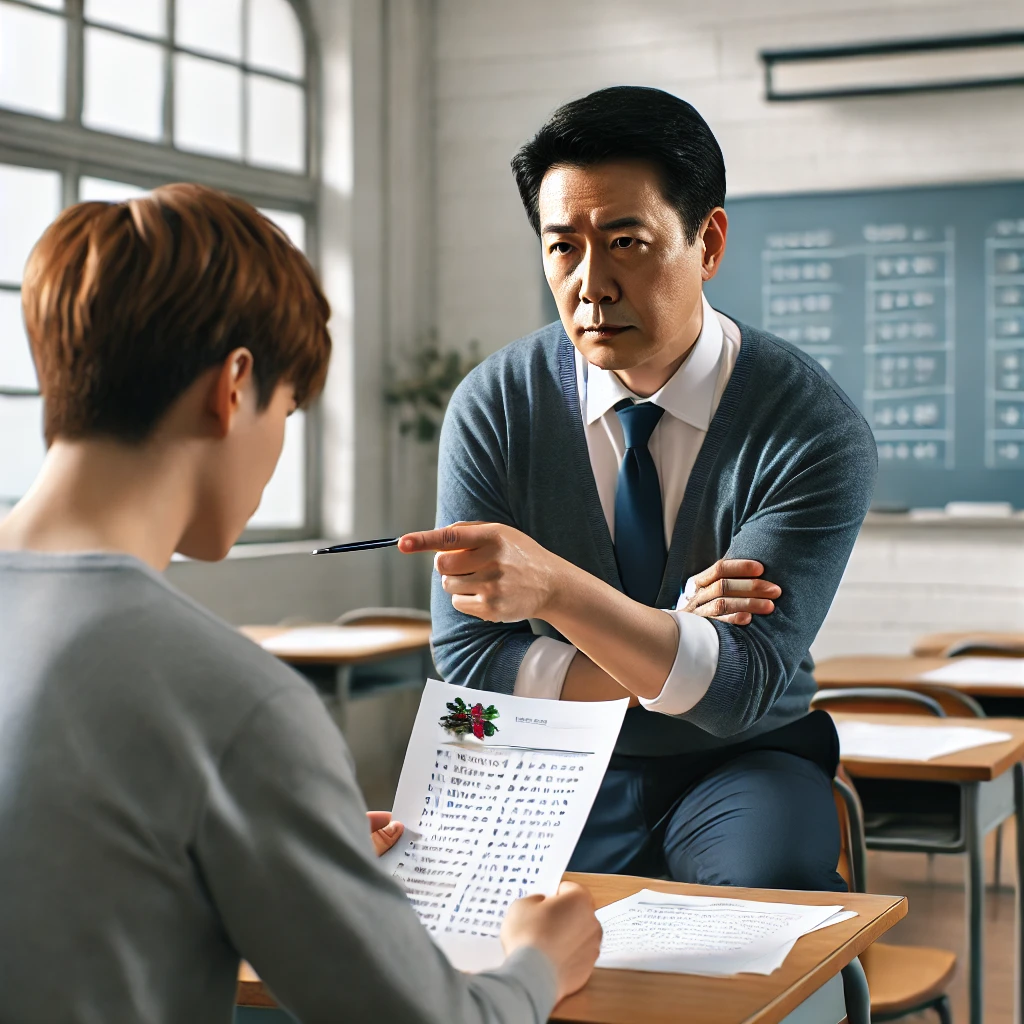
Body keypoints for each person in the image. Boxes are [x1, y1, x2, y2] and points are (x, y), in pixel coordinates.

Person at [0, 184, 601, 1023]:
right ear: (234, 385)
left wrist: (279, 852)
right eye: (288, 408)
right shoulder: (230, 702)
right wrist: (540, 962)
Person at [400, 86, 877, 891]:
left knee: (755, 913)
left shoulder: (811, 426)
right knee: (472, 940)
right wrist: (673, 640)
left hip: (744, 759)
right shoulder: (496, 405)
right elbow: (472, 662)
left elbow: (734, 690)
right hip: (544, 754)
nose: (592, 285)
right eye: (563, 247)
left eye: (626, 241)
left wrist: (553, 591)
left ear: (709, 241)